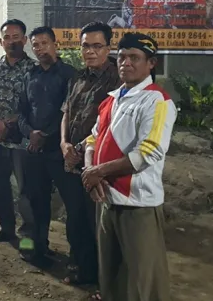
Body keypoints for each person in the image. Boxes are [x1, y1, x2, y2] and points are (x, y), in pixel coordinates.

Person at [82, 32, 177, 301]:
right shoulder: (112, 99)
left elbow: (149, 152)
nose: (126, 63)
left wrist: (98, 172)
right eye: (122, 57)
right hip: (106, 198)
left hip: (137, 203)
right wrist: (90, 172)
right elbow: (93, 138)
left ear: (151, 63)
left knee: (142, 279)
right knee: (110, 274)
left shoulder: (157, 101)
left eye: (134, 57)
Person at [59, 21, 121, 286]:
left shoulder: (118, 80)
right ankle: (81, 270)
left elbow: (112, 124)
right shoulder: (77, 77)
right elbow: (66, 112)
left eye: (97, 46)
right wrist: (64, 144)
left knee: (99, 223)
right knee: (76, 220)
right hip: (71, 161)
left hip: (99, 164)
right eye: (85, 46)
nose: (90, 51)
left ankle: (104, 279)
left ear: (108, 48)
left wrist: (80, 148)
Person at [17, 26, 77, 268]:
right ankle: (35, 249)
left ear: (55, 44)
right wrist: (30, 133)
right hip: (33, 150)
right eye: (36, 45)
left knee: (73, 205)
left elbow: (68, 111)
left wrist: (45, 135)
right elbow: (21, 110)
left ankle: (78, 258)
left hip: (59, 151)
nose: (40, 48)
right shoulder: (29, 75)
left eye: (44, 43)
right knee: (34, 203)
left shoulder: (69, 75)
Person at [0, 19, 37, 242]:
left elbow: (34, 105)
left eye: (16, 37)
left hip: (22, 140)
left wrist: (11, 123)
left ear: (24, 40)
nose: (11, 41)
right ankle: (6, 228)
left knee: (25, 190)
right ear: (0, 41)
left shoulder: (33, 69)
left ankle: (29, 237)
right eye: (7, 38)